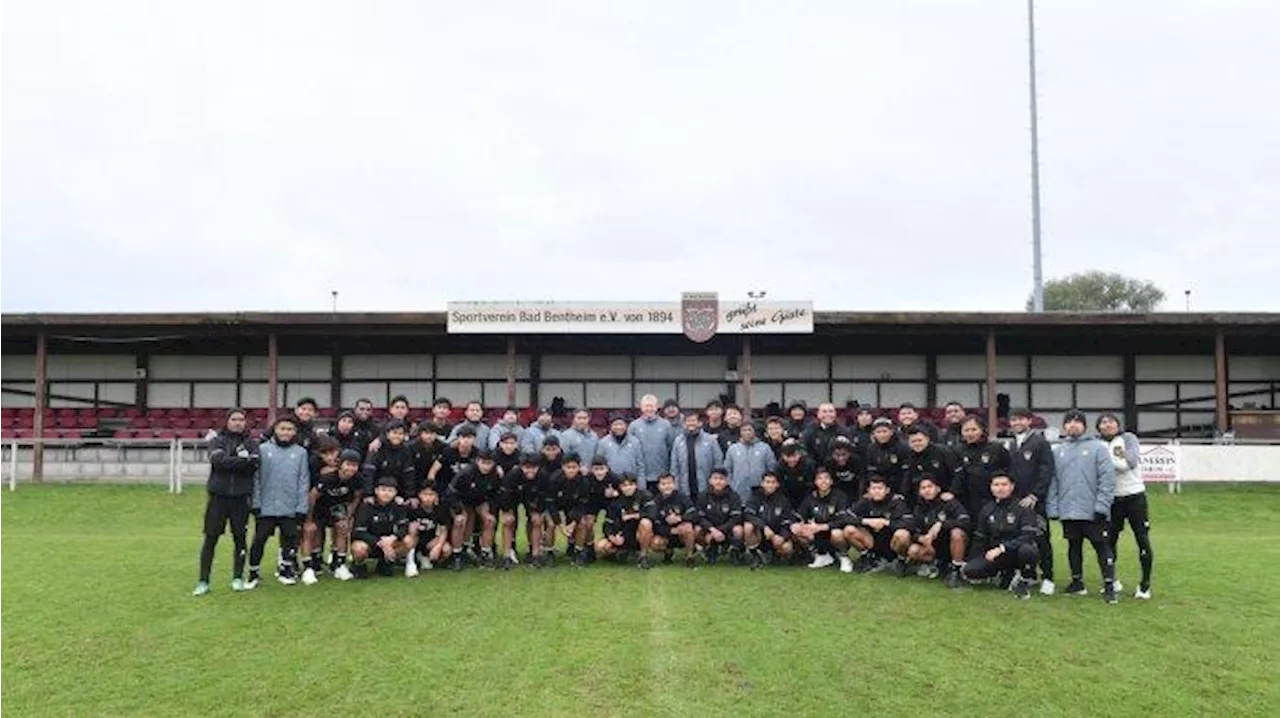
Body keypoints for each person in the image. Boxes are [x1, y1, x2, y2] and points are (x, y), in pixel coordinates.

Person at [1047, 410, 1119, 603]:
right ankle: (1077, 582)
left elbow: (1108, 480)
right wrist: (1053, 507)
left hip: (1092, 510)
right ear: (1064, 427)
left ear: (1085, 426)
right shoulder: (1058, 450)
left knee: (1101, 546)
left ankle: (1109, 584)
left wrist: (1102, 506)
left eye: (1077, 422)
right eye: (1069, 422)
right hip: (1068, 510)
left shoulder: (1098, 448)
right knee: (1073, 545)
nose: (1073, 425)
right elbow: (1053, 481)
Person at [194, 409, 260, 596]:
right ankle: (203, 581)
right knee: (210, 539)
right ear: (227, 421)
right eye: (234, 419)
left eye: (241, 419)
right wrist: (241, 461)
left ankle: (238, 577)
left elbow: (254, 464)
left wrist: (235, 462)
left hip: (241, 499)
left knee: (240, 538)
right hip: (218, 498)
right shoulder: (217, 440)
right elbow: (217, 462)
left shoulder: (251, 443)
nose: (238, 423)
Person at [246, 416, 311, 589]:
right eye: (282, 428)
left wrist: (301, 507)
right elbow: (256, 479)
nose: (286, 432)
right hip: (266, 506)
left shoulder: (300, 452)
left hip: (289, 507)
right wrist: (256, 503)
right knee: (259, 540)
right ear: (275, 430)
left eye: (290, 429)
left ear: (295, 432)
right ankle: (253, 573)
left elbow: (303, 481)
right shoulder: (262, 449)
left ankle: (286, 570)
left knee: (290, 540)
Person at [962, 473, 1043, 600]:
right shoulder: (987, 509)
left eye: (1004, 485)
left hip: (1016, 552)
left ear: (1012, 487)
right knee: (970, 570)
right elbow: (980, 538)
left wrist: (1002, 548)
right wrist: (972, 561)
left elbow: (1028, 536)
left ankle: (1025, 579)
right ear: (991, 487)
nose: (1000, 488)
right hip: (997, 556)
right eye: (996, 485)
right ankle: (1005, 575)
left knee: (1028, 550)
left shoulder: (1023, 508)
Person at [1097, 412, 1152, 599]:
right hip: (1112, 499)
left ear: (1117, 424)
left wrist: (1105, 462)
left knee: (1142, 539)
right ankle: (1111, 581)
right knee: (1109, 541)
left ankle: (1145, 585)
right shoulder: (1098, 444)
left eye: (1110, 421)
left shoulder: (1128, 438)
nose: (1107, 425)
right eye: (1103, 423)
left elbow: (1130, 463)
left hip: (1134, 496)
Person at [1009, 407, 1057, 594]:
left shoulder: (1040, 442)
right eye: (1013, 420)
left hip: (1035, 501)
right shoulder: (1012, 444)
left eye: (1020, 419)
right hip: (1017, 502)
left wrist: (1035, 495)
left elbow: (1047, 471)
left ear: (1029, 421)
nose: (1016, 423)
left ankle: (1048, 577)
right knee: (1019, 537)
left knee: (1042, 538)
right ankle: (1026, 574)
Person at [301, 448, 362, 585]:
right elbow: (312, 496)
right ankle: (308, 568)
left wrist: (348, 516)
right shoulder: (328, 478)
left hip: (338, 509)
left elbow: (357, 497)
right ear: (340, 464)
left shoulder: (357, 479)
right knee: (310, 531)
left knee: (342, 528)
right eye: (348, 464)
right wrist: (309, 520)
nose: (351, 468)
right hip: (319, 508)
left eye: (354, 465)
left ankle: (339, 565)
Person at [906, 475, 970, 588]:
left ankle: (957, 570)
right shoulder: (919, 507)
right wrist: (921, 538)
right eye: (923, 488)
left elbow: (965, 521)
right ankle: (936, 565)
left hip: (952, 543)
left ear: (938, 488)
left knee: (957, 533)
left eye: (930, 486)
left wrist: (942, 524)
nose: (927, 490)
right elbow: (913, 530)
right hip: (934, 546)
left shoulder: (949, 502)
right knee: (913, 550)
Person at [844, 475, 913, 575]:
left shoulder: (896, 502)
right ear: (869, 490)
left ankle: (900, 560)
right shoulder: (865, 501)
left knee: (903, 534)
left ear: (887, 490)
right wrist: (866, 521)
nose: (876, 491)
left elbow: (910, 522)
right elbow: (845, 517)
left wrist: (886, 522)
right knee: (848, 530)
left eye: (880, 488)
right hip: (871, 540)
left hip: (892, 542)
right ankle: (867, 557)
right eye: (873, 488)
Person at [445, 448, 502, 570]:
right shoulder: (466, 473)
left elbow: (496, 495)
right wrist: (458, 510)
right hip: (461, 501)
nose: (486, 467)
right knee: (460, 521)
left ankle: (486, 554)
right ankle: (457, 555)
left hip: (480, 501)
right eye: (483, 463)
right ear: (477, 461)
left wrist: (491, 510)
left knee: (490, 520)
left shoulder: (495, 474)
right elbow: (451, 492)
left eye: (489, 463)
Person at [350, 477, 414, 578]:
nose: (386, 493)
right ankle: (358, 565)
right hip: (371, 543)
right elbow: (358, 531)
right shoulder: (366, 506)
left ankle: (385, 562)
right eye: (383, 490)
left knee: (409, 540)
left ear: (395, 493)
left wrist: (392, 538)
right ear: (376, 491)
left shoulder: (398, 506)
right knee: (359, 549)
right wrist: (380, 542)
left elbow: (404, 527)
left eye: (390, 490)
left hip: (389, 542)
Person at [792, 468, 851, 570]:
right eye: (819, 478)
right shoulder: (810, 497)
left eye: (826, 478)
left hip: (833, 532)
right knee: (796, 530)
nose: (823, 481)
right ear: (815, 482)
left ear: (831, 481)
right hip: (817, 534)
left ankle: (844, 558)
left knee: (837, 533)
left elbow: (843, 520)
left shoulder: (840, 496)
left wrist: (822, 527)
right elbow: (799, 516)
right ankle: (821, 556)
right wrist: (797, 524)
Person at [498, 452, 549, 569]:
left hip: (532, 497)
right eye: (526, 468)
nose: (530, 471)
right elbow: (505, 495)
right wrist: (507, 512)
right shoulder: (512, 475)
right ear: (521, 467)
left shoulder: (543, 476)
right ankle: (507, 556)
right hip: (513, 497)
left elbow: (544, 497)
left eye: (533, 468)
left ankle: (535, 555)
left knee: (537, 521)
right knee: (508, 522)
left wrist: (537, 510)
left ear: (538, 467)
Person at [595, 473, 656, 569]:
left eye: (631, 485)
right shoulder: (615, 502)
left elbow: (652, 514)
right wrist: (612, 537)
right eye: (624, 485)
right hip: (622, 536)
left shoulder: (645, 496)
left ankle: (643, 556)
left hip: (639, 535)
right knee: (600, 547)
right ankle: (621, 554)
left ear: (636, 485)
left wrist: (634, 516)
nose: (628, 488)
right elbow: (607, 523)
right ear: (620, 487)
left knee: (646, 523)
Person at [956, 415, 1011, 519]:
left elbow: (1008, 471)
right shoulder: (957, 451)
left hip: (991, 499)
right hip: (966, 501)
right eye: (966, 430)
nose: (970, 433)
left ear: (982, 430)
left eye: (974, 429)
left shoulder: (996, 449)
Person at [742, 471, 796, 569]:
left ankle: (775, 555)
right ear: (762, 483)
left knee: (787, 548)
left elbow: (788, 521)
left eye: (773, 482)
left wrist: (782, 537)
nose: (770, 485)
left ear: (777, 484)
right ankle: (755, 555)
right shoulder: (755, 497)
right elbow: (748, 515)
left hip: (775, 535)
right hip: (760, 533)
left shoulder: (783, 500)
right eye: (767, 482)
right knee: (748, 526)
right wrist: (764, 527)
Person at [548, 454, 592, 566]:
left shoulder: (584, 482)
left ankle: (578, 552)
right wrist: (561, 525)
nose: (571, 470)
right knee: (551, 524)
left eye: (574, 467)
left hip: (573, 506)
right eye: (568, 467)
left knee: (582, 523)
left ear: (578, 467)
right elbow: (550, 503)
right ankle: (548, 552)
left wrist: (573, 523)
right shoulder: (554, 479)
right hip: (556, 504)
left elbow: (582, 505)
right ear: (563, 467)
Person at [694, 468, 743, 565]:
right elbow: (699, 517)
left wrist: (720, 530)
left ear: (726, 481)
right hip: (710, 529)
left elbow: (735, 518)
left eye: (721, 479)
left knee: (739, 529)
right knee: (696, 529)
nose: (718, 482)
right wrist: (712, 530)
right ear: (710, 480)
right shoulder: (703, 496)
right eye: (715, 478)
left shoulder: (734, 496)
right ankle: (709, 550)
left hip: (727, 529)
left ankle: (734, 552)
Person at [670, 412, 725, 499]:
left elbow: (718, 462)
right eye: (687, 421)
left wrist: (715, 483)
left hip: (706, 487)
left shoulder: (710, 440)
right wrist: (676, 485)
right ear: (684, 424)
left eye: (693, 420)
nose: (690, 423)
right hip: (685, 487)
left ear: (700, 423)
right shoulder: (678, 441)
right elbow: (674, 466)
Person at [902, 426, 960, 505]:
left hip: (945, 498)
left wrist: (952, 492)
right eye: (913, 441)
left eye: (919, 440)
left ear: (927, 439)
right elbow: (908, 480)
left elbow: (958, 473)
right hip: (922, 501)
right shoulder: (909, 457)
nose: (917, 443)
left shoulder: (942, 451)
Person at [649, 472, 697, 566]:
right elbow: (654, 523)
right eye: (663, 484)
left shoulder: (682, 497)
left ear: (674, 484)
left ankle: (689, 557)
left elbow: (693, 512)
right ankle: (668, 552)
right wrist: (670, 530)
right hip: (666, 534)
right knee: (655, 543)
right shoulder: (655, 501)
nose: (667, 486)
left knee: (688, 527)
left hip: (682, 533)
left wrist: (680, 518)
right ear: (658, 486)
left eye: (669, 483)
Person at [361, 419, 417, 497]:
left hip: (397, 492)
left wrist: (410, 496)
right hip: (377, 492)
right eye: (394, 433)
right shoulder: (376, 448)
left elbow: (409, 474)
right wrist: (368, 494)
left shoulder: (406, 450)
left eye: (400, 434)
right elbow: (369, 473)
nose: (397, 436)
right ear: (387, 434)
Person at [629, 394, 674, 488]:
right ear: (641, 408)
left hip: (662, 476)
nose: (649, 409)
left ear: (657, 407)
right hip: (641, 476)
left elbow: (671, 448)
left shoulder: (666, 425)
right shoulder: (634, 426)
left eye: (651, 406)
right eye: (646, 406)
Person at [724, 422, 775, 501]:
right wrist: (731, 485)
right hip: (738, 491)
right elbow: (727, 470)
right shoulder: (733, 449)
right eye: (744, 430)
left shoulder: (765, 448)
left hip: (760, 492)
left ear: (754, 432)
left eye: (749, 430)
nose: (747, 432)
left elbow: (771, 468)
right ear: (740, 432)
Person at [406, 483, 451, 571]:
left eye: (431, 494)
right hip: (416, 539)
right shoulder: (413, 508)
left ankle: (431, 560)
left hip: (430, 540)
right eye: (425, 494)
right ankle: (412, 559)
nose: (428, 497)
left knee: (447, 549)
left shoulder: (440, 509)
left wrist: (438, 546)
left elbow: (443, 530)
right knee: (412, 530)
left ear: (436, 496)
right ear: (419, 495)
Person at [865, 417, 908, 497]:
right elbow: (871, 472)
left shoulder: (902, 447)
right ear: (874, 434)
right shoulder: (871, 448)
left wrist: (902, 493)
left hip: (898, 487)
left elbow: (906, 473)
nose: (882, 435)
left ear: (891, 432)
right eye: (878, 432)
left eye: (885, 431)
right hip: (880, 488)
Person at [427, 424, 479, 490]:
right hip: (446, 485)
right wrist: (430, 485)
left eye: (469, 437)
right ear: (458, 438)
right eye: (463, 437)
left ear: (474, 439)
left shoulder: (477, 454)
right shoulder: (448, 451)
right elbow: (434, 469)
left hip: (466, 487)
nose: (466, 440)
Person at [597, 414, 642, 478]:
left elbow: (640, 465)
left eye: (621, 424)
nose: (619, 427)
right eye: (615, 424)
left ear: (626, 425)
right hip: (611, 480)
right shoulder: (603, 442)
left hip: (630, 482)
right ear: (611, 426)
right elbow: (599, 463)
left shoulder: (635, 442)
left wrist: (641, 484)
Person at [776, 441, 816, 506]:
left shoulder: (808, 465)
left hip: (806, 496)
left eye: (794, 456)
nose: (791, 460)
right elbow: (780, 487)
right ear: (783, 456)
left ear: (800, 454)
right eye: (788, 456)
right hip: (787, 497)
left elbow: (811, 485)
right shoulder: (779, 467)